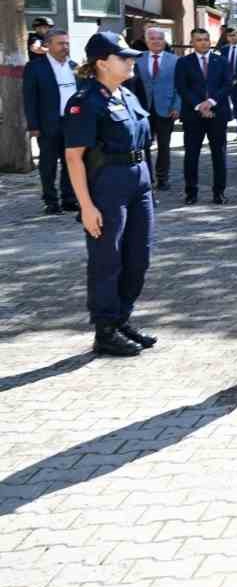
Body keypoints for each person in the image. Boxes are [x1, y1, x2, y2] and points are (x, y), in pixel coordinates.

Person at [61, 32, 158, 358]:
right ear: (102, 63)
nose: (131, 62)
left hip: (139, 184)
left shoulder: (127, 96)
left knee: (138, 257)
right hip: (107, 187)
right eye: (124, 57)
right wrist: (86, 207)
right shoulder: (85, 102)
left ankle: (121, 319)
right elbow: (74, 156)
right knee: (107, 259)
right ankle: (105, 330)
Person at [23, 27, 80, 215]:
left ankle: (69, 199)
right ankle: (50, 200)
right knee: (48, 165)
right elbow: (29, 98)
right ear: (48, 45)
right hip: (48, 124)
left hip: (72, 123)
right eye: (61, 43)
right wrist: (33, 125)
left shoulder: (74, 66)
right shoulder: (35, 67)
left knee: (70, 162)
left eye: (67, 43)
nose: (65, 47)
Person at [175, 27, 234, 205]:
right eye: (199, 40)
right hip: (193, 115)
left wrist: (211, 102)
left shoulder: (222, 61)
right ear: (192, 43)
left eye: (206, 39)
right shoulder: (184, 63)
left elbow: (228, 84)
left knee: (219, 154)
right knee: (191, 155)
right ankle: (191, 193)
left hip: (218, 113)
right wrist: (200, 105)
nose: (203, 43)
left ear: (211, 41)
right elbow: (182, 87)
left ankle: (219, 192)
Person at [131, 27, 181, 190]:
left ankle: (163, 178)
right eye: (152, 38)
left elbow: (180, 86)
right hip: (142, 109)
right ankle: (146, 177)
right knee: (142, 145)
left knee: (164, 146)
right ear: (146, 41)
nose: (156, 41)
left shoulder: (175, 60)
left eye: (159, 38)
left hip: (166, 109)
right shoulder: (137, 59)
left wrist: (176, 106)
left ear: (164, 41)